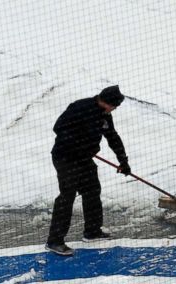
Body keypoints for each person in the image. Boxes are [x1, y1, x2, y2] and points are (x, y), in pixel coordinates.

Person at [47, 85, 131, 256]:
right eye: (114, 106)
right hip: (66, 157)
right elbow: (59, 128)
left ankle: (92, 231)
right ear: (106, 101)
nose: (114, 109)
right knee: (67, 196)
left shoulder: (104, 115)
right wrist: (79, 146)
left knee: (92, 190)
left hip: (84, 159)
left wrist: (123, 161)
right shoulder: (80, 107)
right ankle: (54, 241)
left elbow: (112, 137)